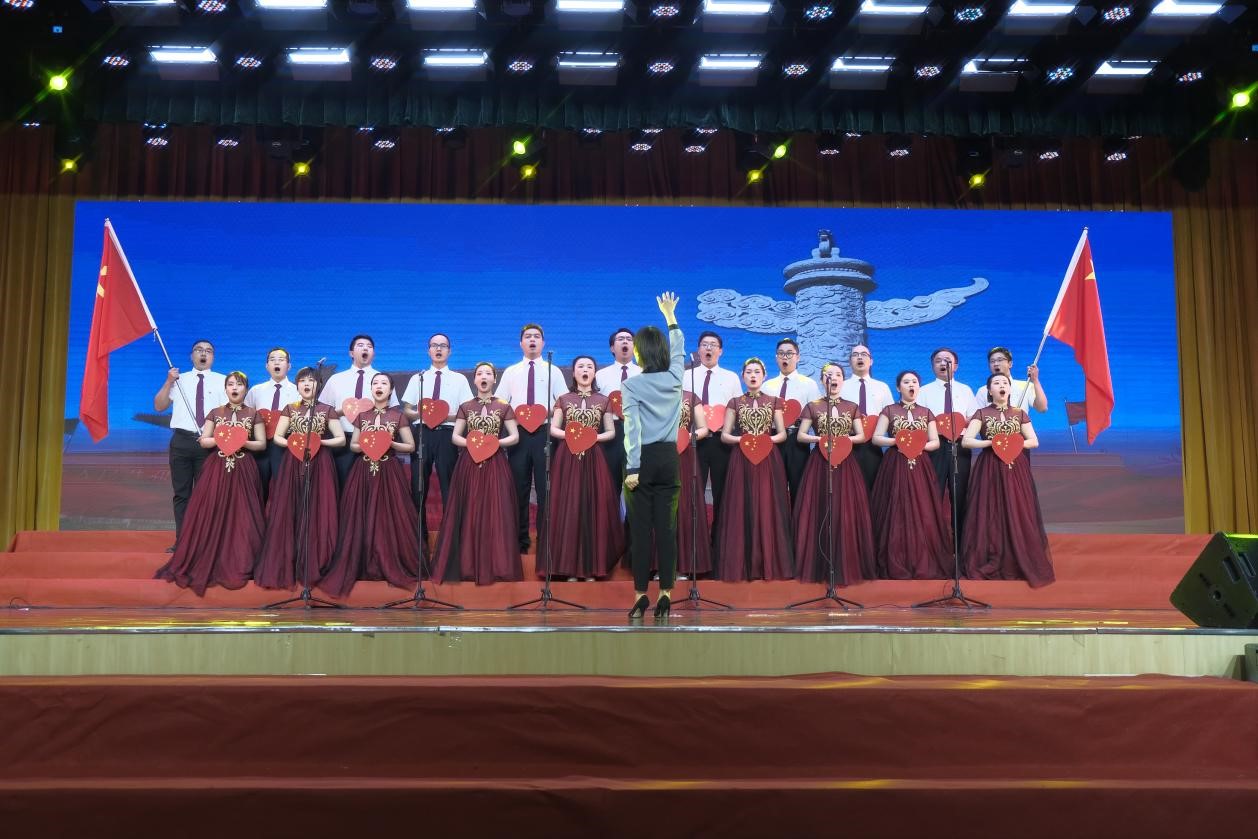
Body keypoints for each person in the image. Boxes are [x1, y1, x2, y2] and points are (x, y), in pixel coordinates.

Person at [155, 371, 266, 595]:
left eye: (239, 384)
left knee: (244, 512)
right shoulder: (215, 413)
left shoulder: (253, 414)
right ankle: (209, 554)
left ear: (246, 389)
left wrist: (242, 442)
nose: (234, 388)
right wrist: (222, 440)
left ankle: (243, 559)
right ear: (225, 389)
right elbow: (204, 440)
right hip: (218, 468)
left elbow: (261, 444)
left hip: (244, 469)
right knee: (214, 510)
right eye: (230, 384)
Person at [320, 372, 421, 599]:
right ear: (371, 389)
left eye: (384, 383)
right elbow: (354, 445)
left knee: (388, 516)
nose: (379, 386)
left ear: (391, 390)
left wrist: (389, 442)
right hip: (363, 469)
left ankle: (389, 561)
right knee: (360, 516)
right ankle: (361, 562)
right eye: (375, 383)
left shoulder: (398, 416)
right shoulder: (362, 416)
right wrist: (367, 444)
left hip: (388, 470)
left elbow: (411, 446)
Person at [253, 366, 346, 591]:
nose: (306, 384)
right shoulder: (290, 408)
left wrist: (318, 443)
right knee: (291, 507)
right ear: (297, 385)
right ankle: (291, 560)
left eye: (311, 381)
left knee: (319, 507)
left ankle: (318, 560)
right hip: (293, 461)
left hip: (321, 462)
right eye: (302, 381)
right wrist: (295, 444)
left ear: (318, 385)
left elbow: (341, 439)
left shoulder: (327, 410)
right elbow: (278, 436)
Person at [431, 362, 523, 586]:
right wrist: (473, 445)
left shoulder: (503, 406)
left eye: (488, 373)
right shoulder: (466, 406)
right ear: (474, 380)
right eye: (480, 373)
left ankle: (497, 565)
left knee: (496, 508)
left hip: (496, 463)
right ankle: (467, 564)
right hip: (469, 462)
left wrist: (495, 443)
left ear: (494, 379)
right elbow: (456, 436)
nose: (484, 376)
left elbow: (515, 436)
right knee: (469, 507)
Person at [623, 292, 685, 619]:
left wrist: (633, 468)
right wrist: (670, 317)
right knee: (667, 529)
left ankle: (639, 594)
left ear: (639, 353)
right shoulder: (676, 377)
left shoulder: (631, 386)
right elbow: (680, 348)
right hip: (669, 458)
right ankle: (666, 592)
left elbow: (632, 428)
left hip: (642, 460)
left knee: (640, 529)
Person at [961, 372, 1055, 587]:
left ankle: (1018, 557)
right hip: (989, 467)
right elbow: (967, 441)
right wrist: (991, 443)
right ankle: (990, 556)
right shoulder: (981, 413)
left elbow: (1033, 441)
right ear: (989, 390)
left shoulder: (1019, 413)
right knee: (989, 509)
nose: (1001, 385)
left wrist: (1013, 443)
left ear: (1010, 389)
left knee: (1017, 508)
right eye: (996, 383)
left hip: (1015, 467)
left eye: (1005, 382)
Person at [539, 355, 624, 581]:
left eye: (589, 367)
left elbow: (611, 432)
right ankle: (569, 569)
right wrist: (572, 436)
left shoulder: (603, 400)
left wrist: (592, 437)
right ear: (574, 372)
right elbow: (553, 429)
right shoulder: (564, 399)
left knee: (592, 506)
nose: (585, 370)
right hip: (567, 456)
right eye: (580, 366)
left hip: (594, 457)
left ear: (594, 372)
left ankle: (592, 568)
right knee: (570, 505)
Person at [714, 357, 795, 582]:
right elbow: (725, 435)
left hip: (768, 457)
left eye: (757, 372)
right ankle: (742, 564)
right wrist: (744, 440)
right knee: (741, 504)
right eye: (748, 372)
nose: (752, 375)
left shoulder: (774, 401)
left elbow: (782, 433)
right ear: (742, 376)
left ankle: (768, 563)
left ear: (764, 376)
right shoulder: (735, 402)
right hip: (741, 457)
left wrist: (765, 440)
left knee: (768, 504)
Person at [794, 363, 875, 585]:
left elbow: (861, 436)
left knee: (846, 508)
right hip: (820, 461)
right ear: (822, 380)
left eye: (838, 375)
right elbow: (801, 435)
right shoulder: (813, 406)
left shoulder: (852, 406)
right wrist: (821, 439)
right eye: (829, 375)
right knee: (820, 506)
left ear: (843, 380)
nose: (834, 378)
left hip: (846, 461)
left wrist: (842, 440)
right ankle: (819, 563)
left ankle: (846, 562)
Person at [869, 371, 952, 580]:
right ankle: (895, 558)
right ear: (898, 388)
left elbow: (935, 442)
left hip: (920, 464)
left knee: (922, 507)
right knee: (895, 507)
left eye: (914, 382)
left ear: (918, 387)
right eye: (906, 382)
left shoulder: (926, 412)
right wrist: (898, 442)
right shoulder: (889, 410)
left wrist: (917, 445)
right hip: (895, 462)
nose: (911, 385)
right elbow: (877, 438)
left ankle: (921, 558)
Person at [495, 324, 568, 553]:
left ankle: (547, 541)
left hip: (546, 433)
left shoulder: (553, 371)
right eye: (528, 337)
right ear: (521, 343)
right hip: (518, 435)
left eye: (537, 336)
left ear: (543, 343)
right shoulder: (511, 372)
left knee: (546, 488)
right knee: (519, 488)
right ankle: (520, 541)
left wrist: (544, 412)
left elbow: (564, 403)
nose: (532, 340)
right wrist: (516, 414)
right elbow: (500, 403)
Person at [153, 339, 226, 551]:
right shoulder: (179, 380)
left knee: (208, 496)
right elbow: (159, 406)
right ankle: (182, 542)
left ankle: (205, 543)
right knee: (182, 494)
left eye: (208, 351)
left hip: (210, 442)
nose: (203, 353)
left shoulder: (223, 381)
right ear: (191, 355)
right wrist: (168, 382)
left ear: (213, 357)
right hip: (182, 442)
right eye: (199, 350)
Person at [401, 333, 473, 548]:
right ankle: (419, 539)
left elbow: (467, 411)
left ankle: (450, 539)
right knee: (418, 485)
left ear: (450, 351)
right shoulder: (418, 378)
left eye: (443, 346)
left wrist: (443, 416)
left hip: (447, 434)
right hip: (422, 433)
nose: (438, 349)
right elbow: (407, 410)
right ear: (428, 350)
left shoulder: (459, 379)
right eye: (434, 345)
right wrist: (424, 414)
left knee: (448, 485)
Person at [918, 347, 979, 547]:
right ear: (932, 366)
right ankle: (932, 545)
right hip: (934, 446)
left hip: (959, 446)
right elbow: (918, 419)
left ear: (956, 366)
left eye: (947, 360)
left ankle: (960, 545)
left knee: (959, 495)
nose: (943, 363)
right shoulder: (923, 391)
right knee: (932, 494)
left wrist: (959, 422)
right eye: (938, 360)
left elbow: (974, 418)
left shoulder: (965, 390)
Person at [318, 334, 397, 487]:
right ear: (351, 353)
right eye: (360, 345)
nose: (365, 348)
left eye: (369, 346)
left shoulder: (382, 380)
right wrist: (341, 412)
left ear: (373, 353)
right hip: (343, 440)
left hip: (374, 440)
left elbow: (393, 412)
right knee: (342, 485)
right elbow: (323, 413)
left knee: (372, 487)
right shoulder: (336, 379)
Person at [692, 330, 742, 530]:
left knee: (722, 490)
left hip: (722, 441)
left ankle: (719, 537)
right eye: (705, 344)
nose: (709, 348)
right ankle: (697, 537)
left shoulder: (731, 377)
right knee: (694, 490)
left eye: (713, 345)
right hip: (694, 440)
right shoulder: (687, 376)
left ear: (720, 351)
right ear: (698, 350)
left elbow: (739, 409)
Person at [763, 337, 821, 504]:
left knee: (799, 486)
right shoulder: (767, 386)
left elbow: (817, 416)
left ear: (798, 357)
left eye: (789, 353)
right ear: (776, 358)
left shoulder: (809, 384)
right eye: (781, 353)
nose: (785, 357)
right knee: (774, 487)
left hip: (798, 440)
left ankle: (797, 520)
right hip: (773, 439)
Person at [243, 347, 299, 505]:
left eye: (281, 360)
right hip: (259, 445)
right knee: (257, 486)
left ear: (289, 366)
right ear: (266, 366)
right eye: (272, 360)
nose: (277, 363)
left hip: (285, 446)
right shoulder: (256, 391)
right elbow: (246, 416)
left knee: (283, 488)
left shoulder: (297, 391)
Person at [667, 388, 712, 580]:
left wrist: (686, 437)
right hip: (657, 454)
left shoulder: (690, 397)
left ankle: (683, 566)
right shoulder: (650, 393)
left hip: (684, 454)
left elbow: (703, 428)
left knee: (684, 505)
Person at [839, 344, 894, 493]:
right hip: (847, 443)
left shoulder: (882, 387)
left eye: (864, 354)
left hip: (873, 445)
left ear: (871, 361)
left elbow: (892, 418)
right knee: (848, 489)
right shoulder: (841, 386)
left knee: (874, 489)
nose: (859, 357)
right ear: (850, 361)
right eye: (855, 354)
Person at [595, 327, 641, 493]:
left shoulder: (645, 373)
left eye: (629, 339)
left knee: (636, 483)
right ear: (612, 348)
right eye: (620, 339)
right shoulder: (600, 375)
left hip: (637, 432)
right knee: (609, 483)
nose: (625, 342)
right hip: (611, 431)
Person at [975, 346, 1048, 413]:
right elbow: (977, 418)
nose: (996, 364)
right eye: (992, 361)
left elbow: (1042, 408)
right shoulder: (983, 391)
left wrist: (1035, 380)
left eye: (1000, 360)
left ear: (1010, 364)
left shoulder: (1025, 386)